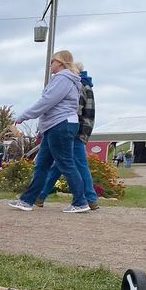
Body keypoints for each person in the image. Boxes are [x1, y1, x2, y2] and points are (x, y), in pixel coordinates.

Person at [7, 49, 88, 213]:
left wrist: (24, 116)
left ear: (59, 62)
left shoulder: (63, 78)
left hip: (60, 124)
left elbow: (47, 101)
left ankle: (80, 201)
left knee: (66, 163)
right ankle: (27, 200)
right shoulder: (67, 80)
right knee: (42, 164)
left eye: (52, 61)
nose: (50, 65)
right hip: (55, 125)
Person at [34, 64, 99, 210]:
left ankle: (89, 198)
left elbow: (74, 109)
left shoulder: (77, 84)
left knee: (75, 164)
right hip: (79, 129)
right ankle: (40, 195)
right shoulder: (86, 85)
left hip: (71, 129)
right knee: (59, 165)